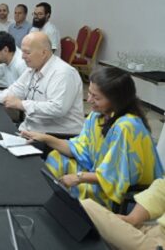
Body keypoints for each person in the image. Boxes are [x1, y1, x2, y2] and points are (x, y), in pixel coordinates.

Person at [23, 67, 163, 210]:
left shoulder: (127, 127)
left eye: (96, 97)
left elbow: (114, 176)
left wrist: (79, 177)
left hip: (119, 186)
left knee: (75, 188)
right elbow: (78, 149)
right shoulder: (97, 116)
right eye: (89, 93)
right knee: (57, 157)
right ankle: (43, 202)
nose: (89, 100)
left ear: (116, 100)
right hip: (99, 172)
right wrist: (45, 138)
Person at [0, 32, 84, 137]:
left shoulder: (63, 73)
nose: (22, 57)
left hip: (56, 136)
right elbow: (16, 89)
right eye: (22, 52)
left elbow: (57, 108)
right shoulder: (33, 68)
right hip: (31, 130)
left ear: (44, 53)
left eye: (27, 53)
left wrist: (22, 104)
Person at [81, 179, 165, 249]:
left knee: (86, 207)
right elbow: (161, 188)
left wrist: (80, 177)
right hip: (156, 230)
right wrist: (132, 219)